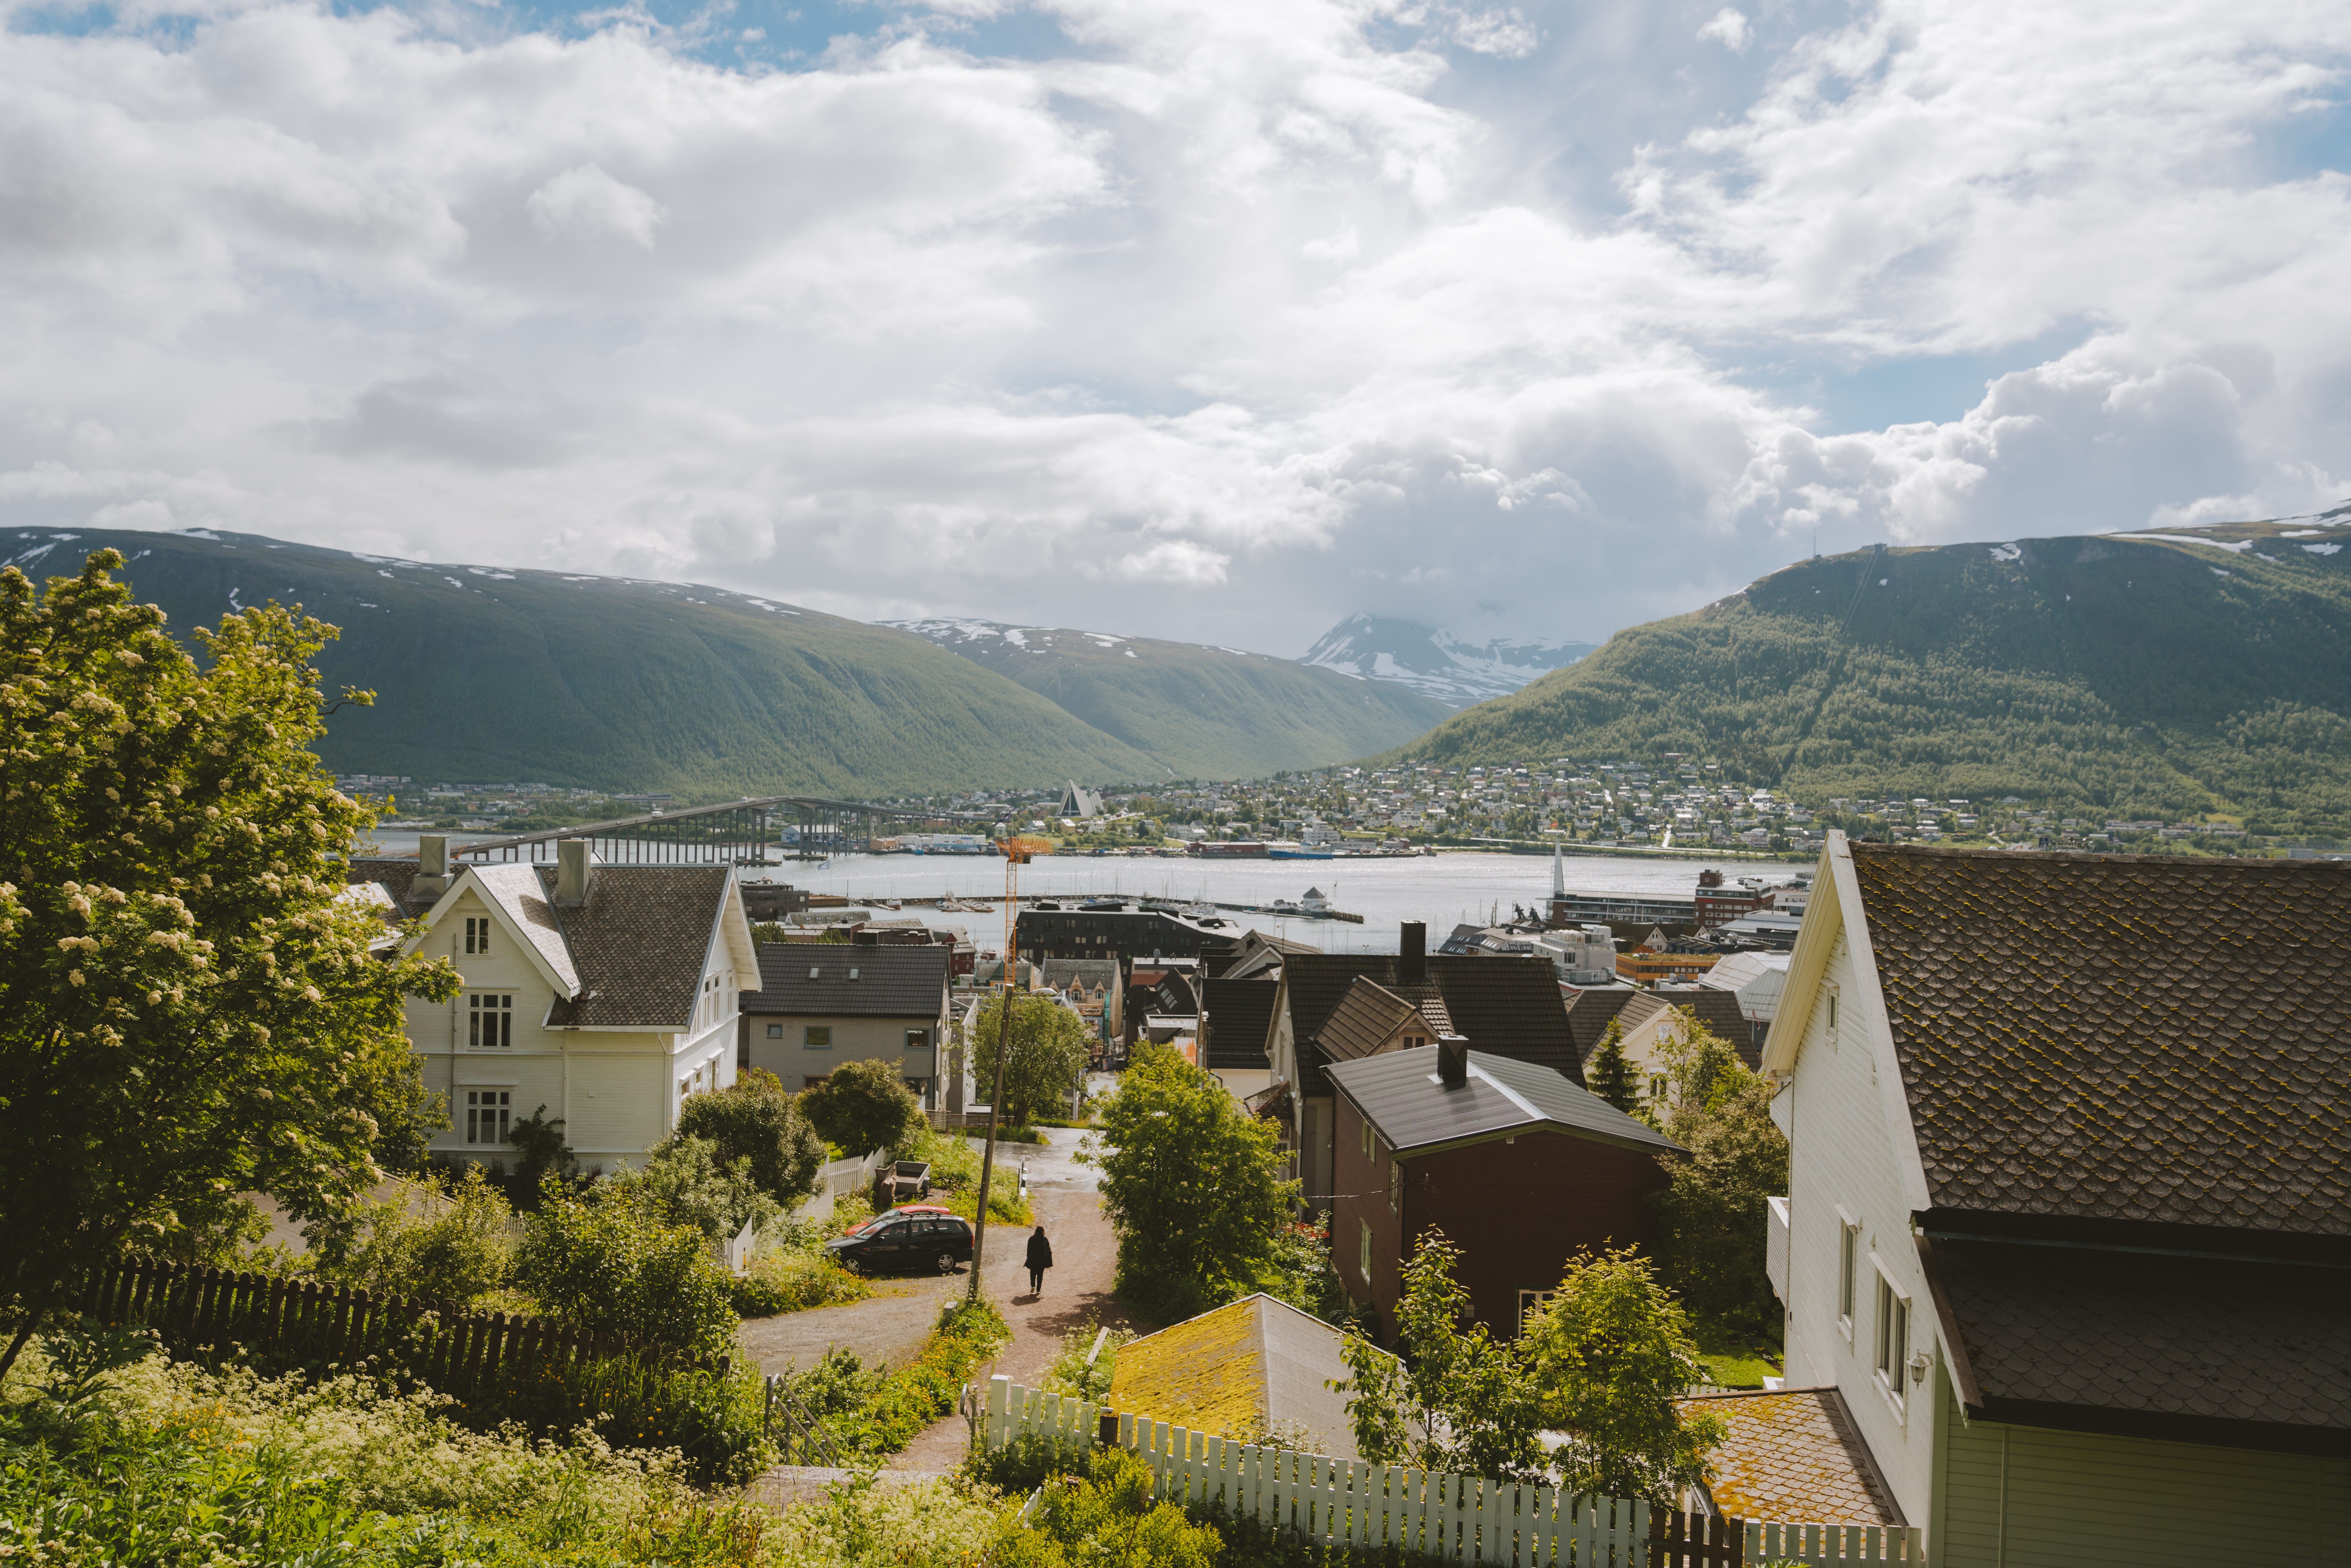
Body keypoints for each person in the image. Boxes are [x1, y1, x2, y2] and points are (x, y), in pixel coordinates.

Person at [1024, 1225, 1053, 1295]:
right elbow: (1048, 1249)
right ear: (1043, 1231)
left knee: (1033, 1273)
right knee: (1040, 1275)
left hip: (1033, 1259)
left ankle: (1033, 1286)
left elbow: (1029, 1249)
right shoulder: (1045, 1239)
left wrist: (1029, 1257)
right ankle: (1039, 1290)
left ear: (1036, 1231)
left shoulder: (1032, 1239)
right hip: (1042, 1260)